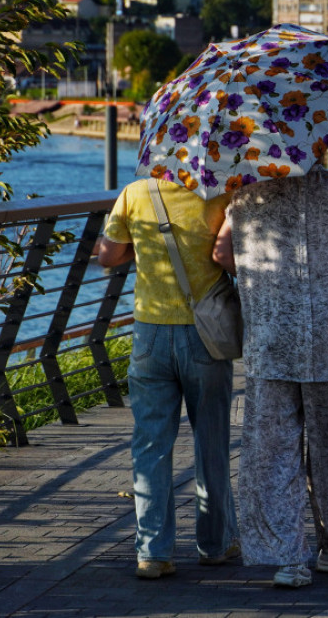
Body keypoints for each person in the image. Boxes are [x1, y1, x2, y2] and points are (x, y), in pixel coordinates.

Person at [212, 165, 328, 589]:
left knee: (272, 452)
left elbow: (221, 255)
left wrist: (261, 279)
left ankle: (287, 558)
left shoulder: (248, 196)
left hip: (271, 339)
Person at [96, 178, 240, 579]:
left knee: (151, 444)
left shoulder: (135, 192)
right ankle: (215, 544)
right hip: (206, 333)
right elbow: (227, 255)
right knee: (211, 440)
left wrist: (144, 247)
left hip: (150, 333)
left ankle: (153, 552)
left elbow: (107, 256)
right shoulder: (222, 192)